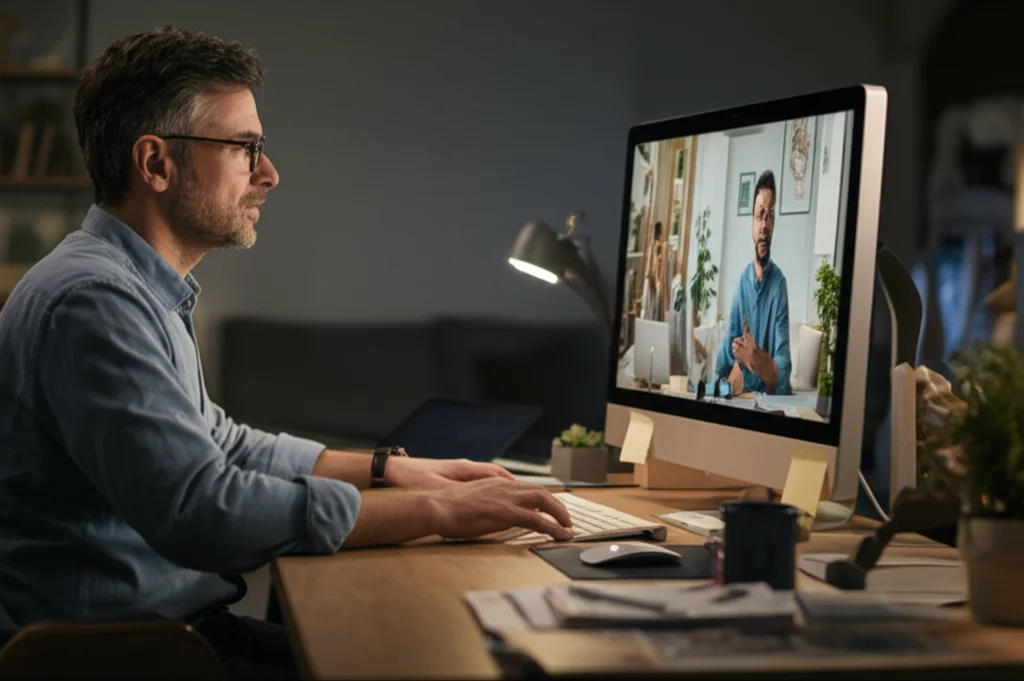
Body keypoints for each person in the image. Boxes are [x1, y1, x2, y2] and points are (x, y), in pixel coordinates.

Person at [0, 27, 572, 680]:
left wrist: (392, 471)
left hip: (171, 634)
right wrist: (438, 511)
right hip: (128, 655)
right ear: (155, 163)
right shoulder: (94, 299)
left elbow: (219, 444)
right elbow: (200, 508)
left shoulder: (132, 286)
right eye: (245, 148)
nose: (269, 173)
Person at [714, 169, 792, 396]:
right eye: (760, 215)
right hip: (742, 395)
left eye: (770, 216)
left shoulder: (779, 285)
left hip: (767, 400)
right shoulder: (742, 283)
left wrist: (757, 360)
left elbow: (783, 365)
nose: (765, 225)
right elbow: (728, 348)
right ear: (752, 223)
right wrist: (735, 352)